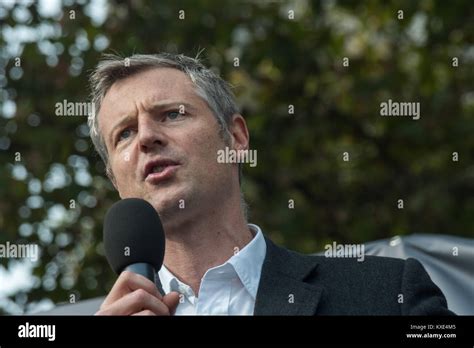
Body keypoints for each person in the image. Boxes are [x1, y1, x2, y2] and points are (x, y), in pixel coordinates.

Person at [88, 53, 453, 315]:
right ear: (114, 180)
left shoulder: (387, 294)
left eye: (171, 114)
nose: (147, 137)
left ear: (235, 138)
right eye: (125, 134)